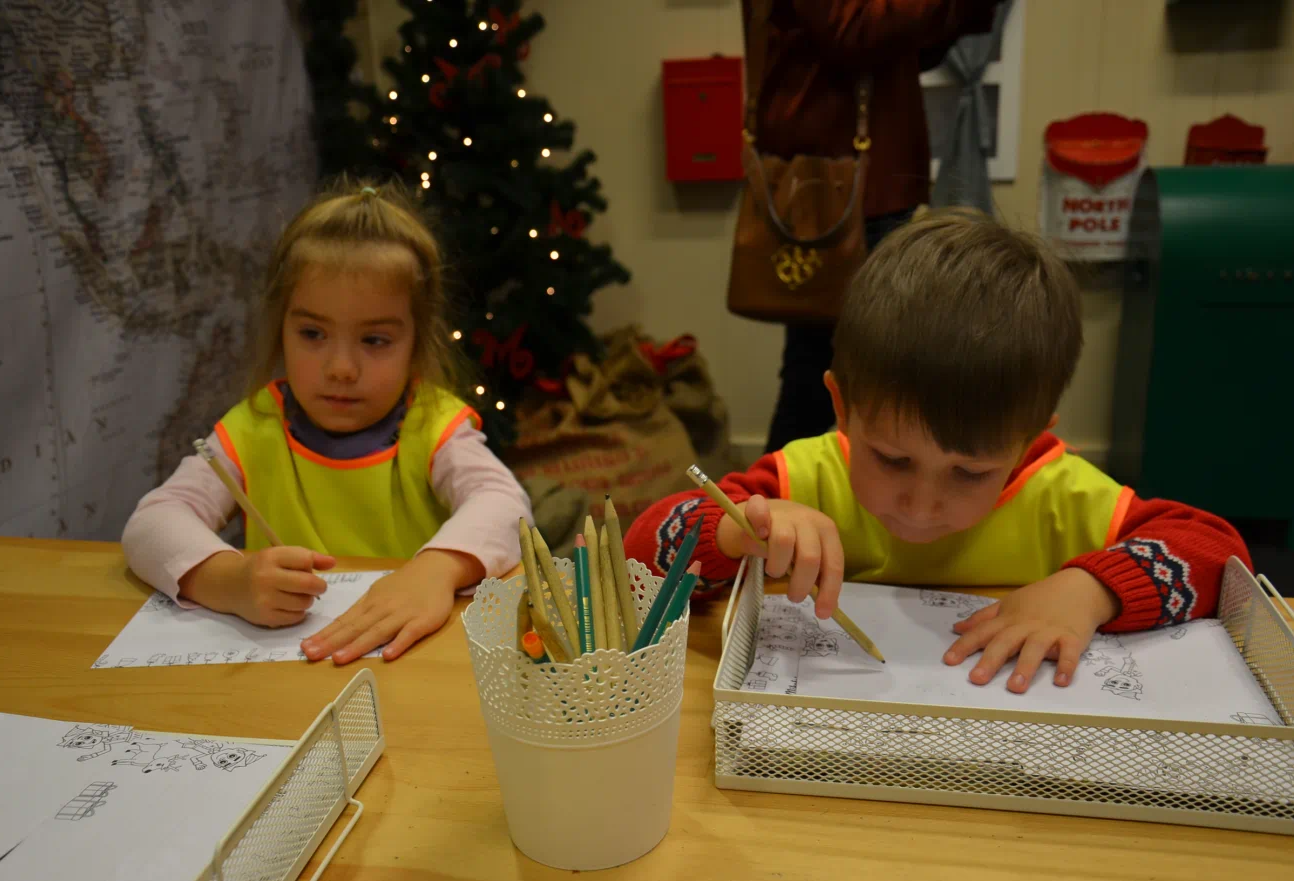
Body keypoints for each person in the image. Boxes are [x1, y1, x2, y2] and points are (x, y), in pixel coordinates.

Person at [627, 211, 1250, 693]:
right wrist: (734, 533)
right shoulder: (803, 479)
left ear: (1026, 441)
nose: (922, 505)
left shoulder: (1065, 497)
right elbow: (638, 556)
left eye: (970, 472)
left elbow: (1220, 556)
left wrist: (1092, 590)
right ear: (843, 407)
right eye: (893, 459)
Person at [122, 177, 532, 664]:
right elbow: (151, 523)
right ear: (282, 328)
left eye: (374, 340)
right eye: (313, 334)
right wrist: (229, 581)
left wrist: (437, 571)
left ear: (416, 343)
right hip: (282, 673)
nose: (340, 368)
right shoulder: (254, 427)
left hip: (408, 663)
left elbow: (506, 506)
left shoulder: (433, 426)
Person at [747, 0, 1003, 452]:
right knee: (825, 371)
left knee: (858, 367)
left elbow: (911, 49)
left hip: (870, 180)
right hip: (840, 185)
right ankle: (778, 490)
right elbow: (852, 30)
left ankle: (805, 485)